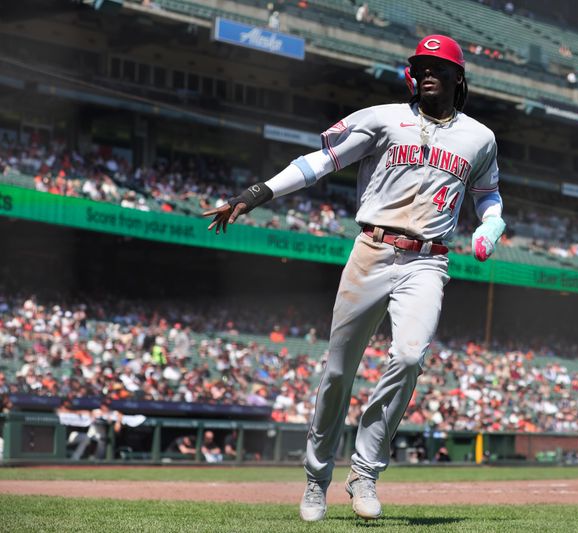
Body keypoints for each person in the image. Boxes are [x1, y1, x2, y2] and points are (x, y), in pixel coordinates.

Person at [204, 34, 505, 521]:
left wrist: (492, 223)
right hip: (372, 249)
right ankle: (315, 479)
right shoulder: (382, 117)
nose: (427, 72)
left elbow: (488, 194)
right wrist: (259, 192)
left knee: (409, 357)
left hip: (428, 259)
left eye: (438, 66)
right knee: (339, 371)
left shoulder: (479, 137)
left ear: (458, 77)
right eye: (420, 65)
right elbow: (320, 162)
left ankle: (364, 471)